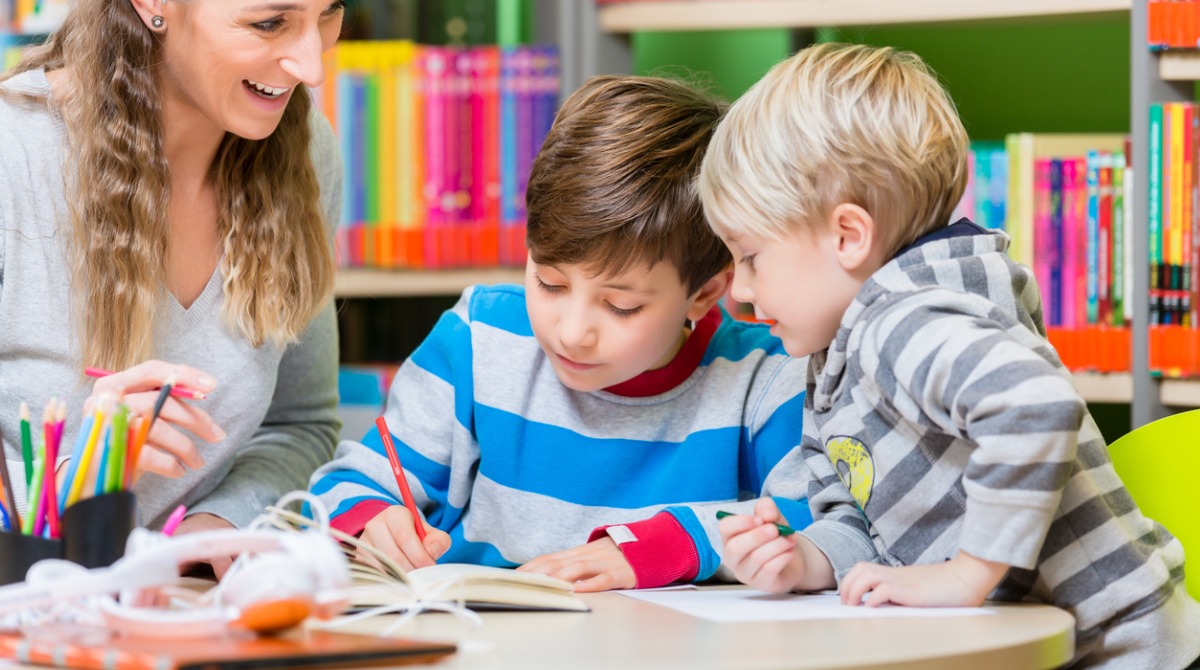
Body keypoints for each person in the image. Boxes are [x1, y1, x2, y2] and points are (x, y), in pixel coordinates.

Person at [702, 42, 1200, 668]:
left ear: (848, 236)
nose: (740, 293)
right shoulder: (837, 353)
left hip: (1121, 650)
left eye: (750, 258)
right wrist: (804, 561)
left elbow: (1035, 404)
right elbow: (865, 524)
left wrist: (968, 575)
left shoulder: (904, 322)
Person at [308, 74, 812, 592]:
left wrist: (663, 547)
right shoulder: (478, 340)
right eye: (549, 282)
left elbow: (826, 525)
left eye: (621, 306)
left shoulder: (763, 380)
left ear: (705, 292)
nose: (571, 333)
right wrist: (372, 522)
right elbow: (343, 489)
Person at [0, 0, 345, 574]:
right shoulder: (12, 155)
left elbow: (300, 422)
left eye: (330, 14)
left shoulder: (307, 147)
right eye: (269, 23)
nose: (313, 66)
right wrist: (76, 484)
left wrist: (223, 520)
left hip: (191, 615)